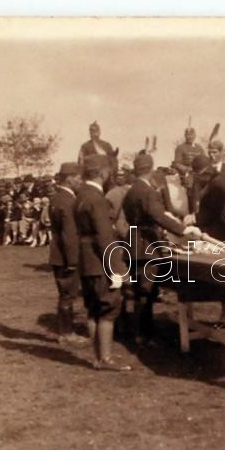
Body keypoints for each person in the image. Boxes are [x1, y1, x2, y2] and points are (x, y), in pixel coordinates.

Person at [122, 153, 202, 338]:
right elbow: (158, 215)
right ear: (150, 170)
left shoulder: (131, 190)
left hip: (133, 241)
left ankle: (137, 330)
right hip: (146, 244)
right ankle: (142, 333)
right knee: (146, 291)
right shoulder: (147, 191)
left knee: (138, 290)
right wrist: (184, 230)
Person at [75, 155, 131, 371]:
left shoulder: (81, 195)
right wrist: (118, 269)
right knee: (109, 308)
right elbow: (105, 238)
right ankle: (106, 359)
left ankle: (97, 358)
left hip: (86, 261)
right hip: (100, 262)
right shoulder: (97, 199)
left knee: (93, 309)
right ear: (102, 172)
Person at [49, 162, 87, 345]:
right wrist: (73, 260)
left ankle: (66, 330)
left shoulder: (57, 198)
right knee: (68, 294)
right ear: (70, 178)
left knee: (65, 294)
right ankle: (66, 333)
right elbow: (69, 233)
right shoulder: (68, 201)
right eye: (78, 177)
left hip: (58, 253)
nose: (81, 181)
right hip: (66, 256)